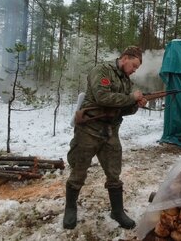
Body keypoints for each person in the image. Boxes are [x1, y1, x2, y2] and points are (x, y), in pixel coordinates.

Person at [63, 46, 147, 230]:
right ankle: (70, 209)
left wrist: (136, 104)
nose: (134, 70)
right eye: (133, 65)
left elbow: (123, 108)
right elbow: (103, 97)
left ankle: (117, 211)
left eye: (136, 68)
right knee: (78, 171)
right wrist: (131, 97)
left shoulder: (126, 81)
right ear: (125, 58)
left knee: (114, 174)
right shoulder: (102, 70)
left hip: (110, 132)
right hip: (88, 131)